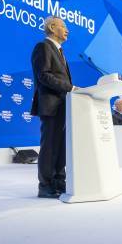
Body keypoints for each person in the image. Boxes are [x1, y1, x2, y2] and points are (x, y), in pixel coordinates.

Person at [30, 16, 78, 198]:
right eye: (63, 26)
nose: (67, 30)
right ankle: (45, 185)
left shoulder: (60, 51)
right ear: (52, 27)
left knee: (61, 146)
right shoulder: (43, 47)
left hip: (63, 105)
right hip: (51, 105)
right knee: (50, 146)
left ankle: (59, 181)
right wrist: (71, 88)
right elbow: (44, 75)